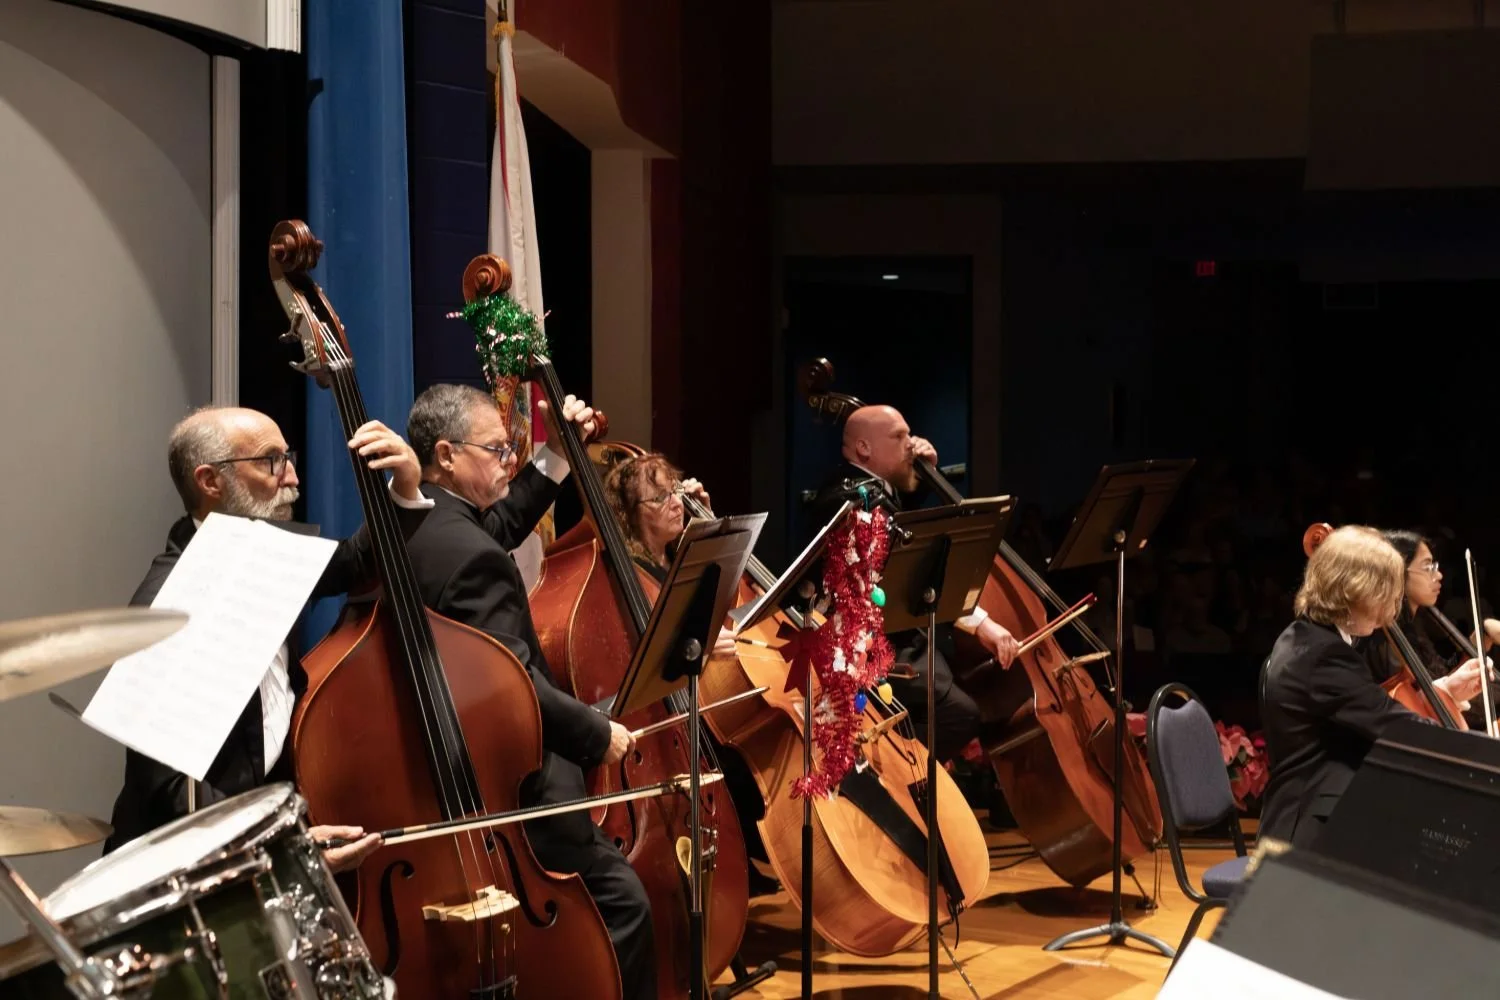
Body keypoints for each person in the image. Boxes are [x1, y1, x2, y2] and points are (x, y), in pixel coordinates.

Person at [403, 383, 655, 1000]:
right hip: (517, 781)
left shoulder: (421, 521)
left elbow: (500, 522)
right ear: (445, 454)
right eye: (496, 448)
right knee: (621, 906)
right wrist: (597, 734)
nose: (508, 459)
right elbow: (513, 680)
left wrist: (559, 454)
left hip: (450, 773)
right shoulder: (468, 553)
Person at [106, 406, 432, 873]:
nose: (293, 477)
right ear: (210, 481)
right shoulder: (167, 607)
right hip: (186, 881)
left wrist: (403, 486)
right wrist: (278, 844)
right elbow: (171, 789)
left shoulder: (264, 556)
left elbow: (355, 563)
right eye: (271, 461)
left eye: (289, 457)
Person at [803, 403, 1019, 762]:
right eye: (899, 437)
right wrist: (981, 625)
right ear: (864, 449)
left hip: (889, 637)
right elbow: (912, 577)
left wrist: (922, 475)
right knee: (960, 714)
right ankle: (883, 772)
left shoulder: (866, 488)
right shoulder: (854, 501)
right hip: (862, 650)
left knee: (952, 682)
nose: (912, 443)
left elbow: (895, 510)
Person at [1258, 525, 1484, 848]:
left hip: (1323, 808)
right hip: (1312, 829)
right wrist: (1480, 755)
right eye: (1385, 593)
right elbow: (1397, 725)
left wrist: (1444, 690)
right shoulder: (1324, 656)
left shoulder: (1307, 638)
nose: (1391, 607)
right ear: (1356, 591)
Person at [1361, 530, 1499, 727]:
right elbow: (1428, 705)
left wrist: (1476, 645)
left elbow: (1438, 681)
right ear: (1397, 571)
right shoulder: (1384, 642)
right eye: (1428, 567)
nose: (1439, 575)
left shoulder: (1415, 627)